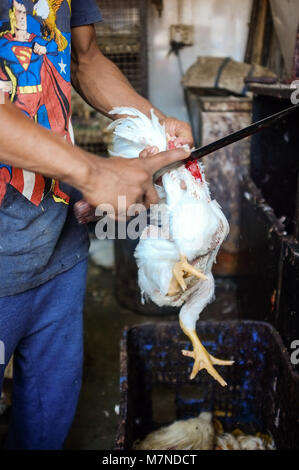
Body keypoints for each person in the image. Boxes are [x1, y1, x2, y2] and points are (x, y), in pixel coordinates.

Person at [0, 0, 193, 449]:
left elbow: (85, 58)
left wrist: (154, 121)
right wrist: (95, 173)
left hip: (58, 244)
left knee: (47, 417)